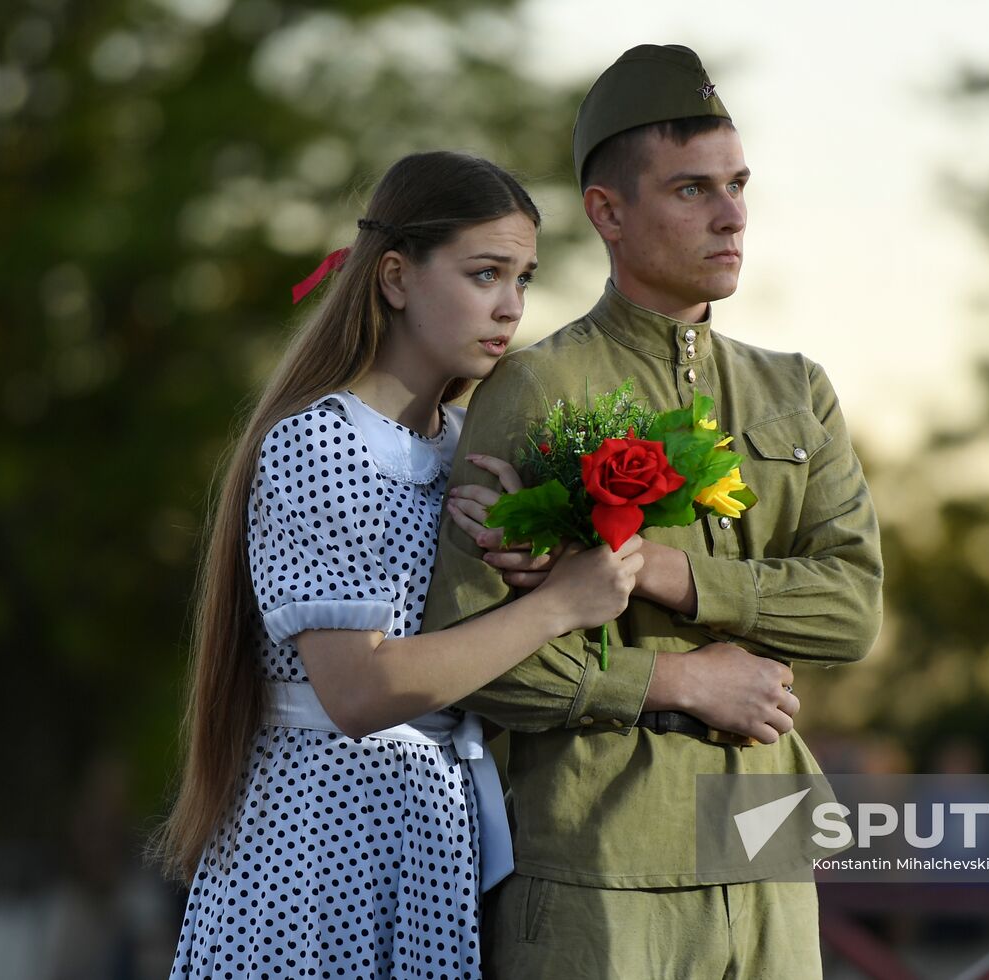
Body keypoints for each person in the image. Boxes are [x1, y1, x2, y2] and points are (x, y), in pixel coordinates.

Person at [423, 45, 883, 979]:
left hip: (769, 862)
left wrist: (670, 575)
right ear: (609, 213)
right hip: (599, 871)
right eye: (692, 190)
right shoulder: (535, 389)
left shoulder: (797, 391)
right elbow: (474, 663)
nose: (732, 214)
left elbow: (851, 610)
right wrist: (673, 681)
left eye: (739, 184)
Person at [154, 151, 644, 980]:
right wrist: (555, 605)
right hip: (317, 858)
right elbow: (359, 691)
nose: (511, 306)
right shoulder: (321, 440)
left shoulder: (463, 451)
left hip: (429, 846)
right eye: (485, 273)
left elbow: (465, 677)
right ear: (394, 278)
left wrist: (521, 571)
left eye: (523, 279)